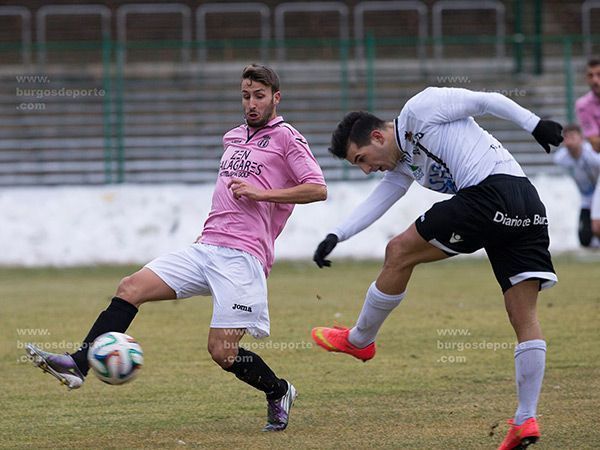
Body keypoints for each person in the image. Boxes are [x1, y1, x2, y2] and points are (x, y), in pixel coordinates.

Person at [25, 64, 327, 432]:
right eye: (246, 96)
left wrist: (263, 193)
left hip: (243, 258)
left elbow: (317, 188)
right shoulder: (232, 137)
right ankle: (78, 364)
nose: (251, 103)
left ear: (276, 98)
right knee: (129, 288)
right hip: (206, 248)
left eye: (259, 96)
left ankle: (279, 391)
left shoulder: (287, 139)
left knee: (222, 352)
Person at [309, 87, 562, 450]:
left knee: (398, 251)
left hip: (490, 195)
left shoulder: (421, 109)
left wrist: (534, 124)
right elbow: (381, 198)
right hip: (526, 204)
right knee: (524, 317)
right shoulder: (404, 162)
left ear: (378, 136)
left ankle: (360, 340)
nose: (366, 170)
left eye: (362, 158)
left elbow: (487, 100)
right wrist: (337, 234)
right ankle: (525, 420)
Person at [553, 124, 600, 246]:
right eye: (566, 137)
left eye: (573, 137)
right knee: (585, 238)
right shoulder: (561, 158)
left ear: (581, 138)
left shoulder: (592, 155)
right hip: (586, 197)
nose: (569, 141)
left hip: (598, 195)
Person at [575, 58, 600, 153]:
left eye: (599, 74)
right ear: (586, 79)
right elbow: (595, 143)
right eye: (590, 75)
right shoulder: (583, 105)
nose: (595, 80)